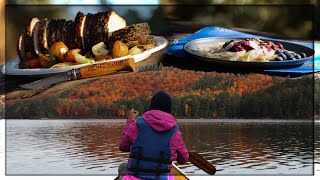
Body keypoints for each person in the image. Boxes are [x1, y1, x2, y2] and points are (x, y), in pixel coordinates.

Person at [118, 90, 189, 180]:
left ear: (151, 106)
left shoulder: (136, 125)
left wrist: (130, 121)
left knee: (123, 167)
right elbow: (183, 159)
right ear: (169, 109)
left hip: (135, 177)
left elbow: (123, 147)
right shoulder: (175, 131)